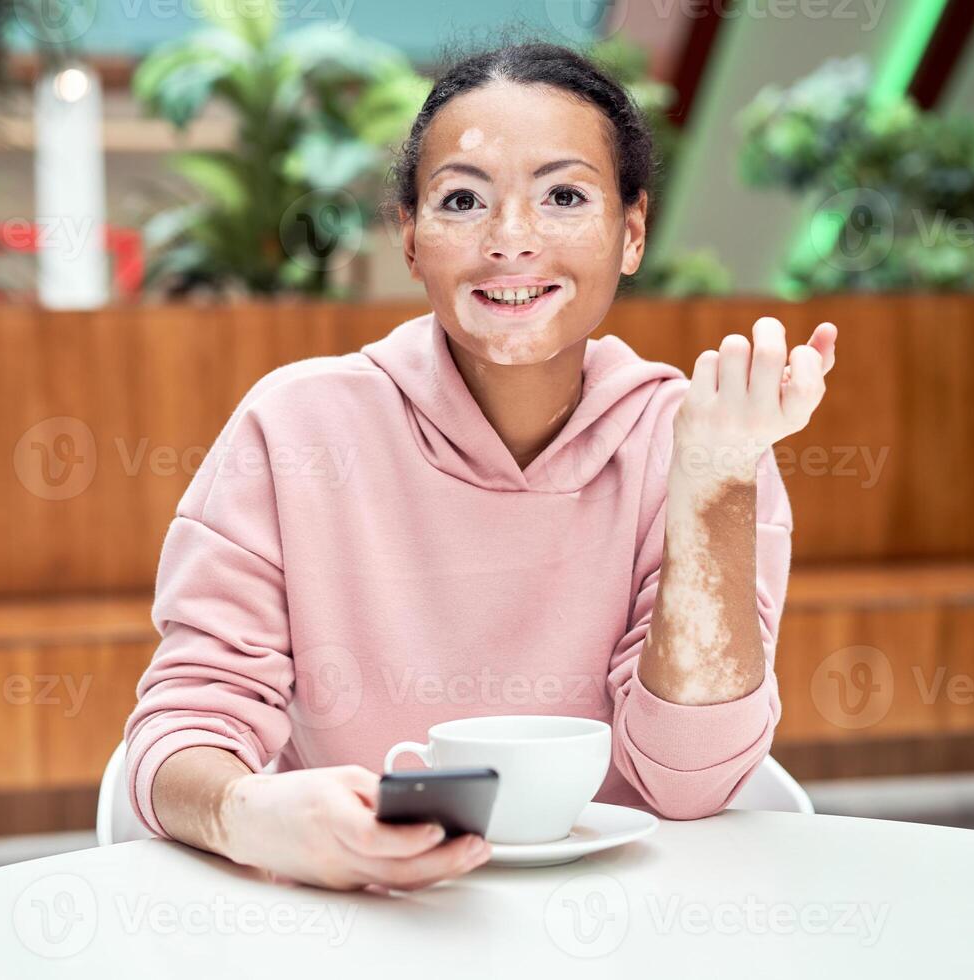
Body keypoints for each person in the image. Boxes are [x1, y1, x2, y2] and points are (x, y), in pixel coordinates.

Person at [123, 41, 838, 894]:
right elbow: (183, 730)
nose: (512, 241)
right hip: (362, 917)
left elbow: (694, 780)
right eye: (463, 200)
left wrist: (715, 478)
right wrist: (251, 814)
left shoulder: (692, 437)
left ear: (633, 231)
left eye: (564, 196)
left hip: (628, 924)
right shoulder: (297, 427)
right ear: (411, 238)